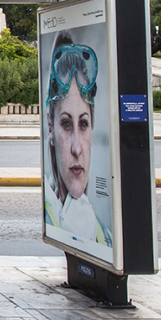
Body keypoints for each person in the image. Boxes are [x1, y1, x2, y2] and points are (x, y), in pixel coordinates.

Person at [43, 32, 112, 246]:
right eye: (65, 124)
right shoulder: (48, 213)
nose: (76, 148)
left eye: (83, 124)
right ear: (50, 127)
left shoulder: (105, 236)